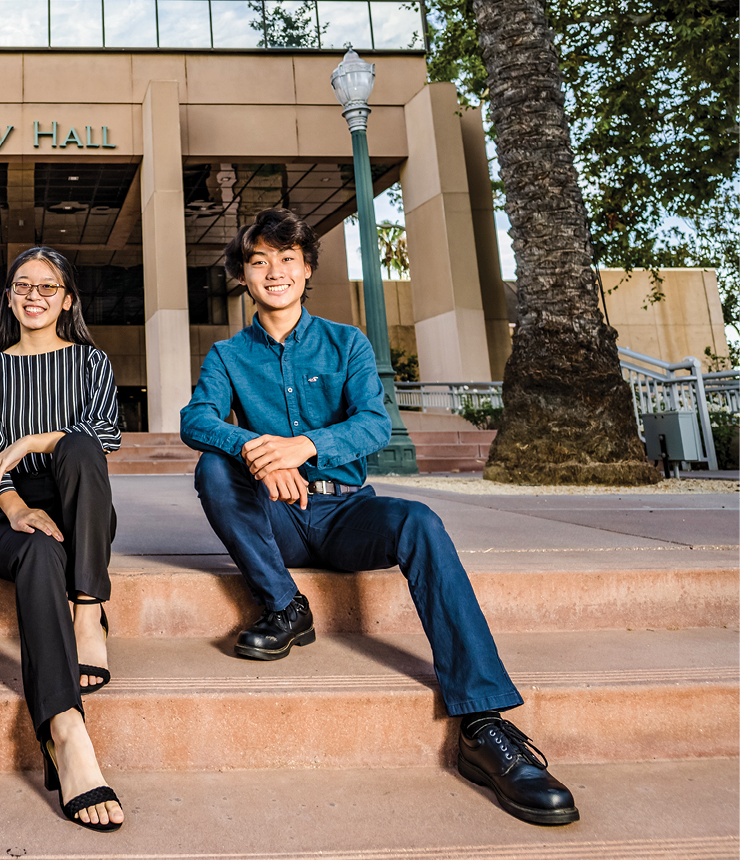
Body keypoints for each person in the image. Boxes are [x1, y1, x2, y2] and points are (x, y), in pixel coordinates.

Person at [180, 207, 578, 827]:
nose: (275, 271)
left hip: (345, 516)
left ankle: (483, 722)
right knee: (211, 466)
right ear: (243, 276)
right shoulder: (229, 356)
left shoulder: (348, 343)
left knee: (418, 520)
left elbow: (372, 423)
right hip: (277, 521)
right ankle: (286, 606)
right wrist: (257, 453)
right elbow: (196, 419)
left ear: (307, 269)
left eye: (288, 259)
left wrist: (303, 447)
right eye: (259, 261)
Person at [0, 246, 125, 832]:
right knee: (35, 550)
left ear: (68, 298)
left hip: (82, 506)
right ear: (9, 297)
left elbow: (103, 435)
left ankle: (88, 613)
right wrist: (15, 507)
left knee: (80, 446)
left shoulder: (90, 362)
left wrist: (33, 441)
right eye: (22, 286)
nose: (35, 296)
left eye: (48, 287)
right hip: (10, 513)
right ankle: (65, 729)